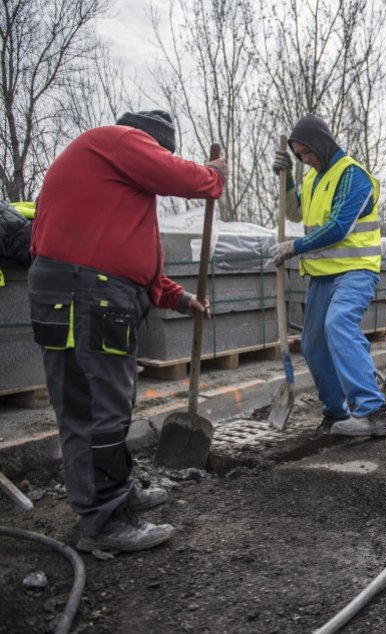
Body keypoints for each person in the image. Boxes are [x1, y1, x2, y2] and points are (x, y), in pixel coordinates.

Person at [29, 110, 228, 553]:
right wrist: (212, 176)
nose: (160, 157)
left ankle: (113, 497)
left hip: (74, 289)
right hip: (90, 293)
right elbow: (183, 177)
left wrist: (179, 298)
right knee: (100, 406)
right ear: (151, 143)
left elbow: (133, 261)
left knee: (91, 404)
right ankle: (105, 520)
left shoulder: (109, 183)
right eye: (161, 151)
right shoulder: (120, 140)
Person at [270, 114, 386, 438]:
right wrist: (286, 180)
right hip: (323, 276)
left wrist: (294, 246)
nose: (305, 160)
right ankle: (335, 413)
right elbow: (294, 212)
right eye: (298, 156)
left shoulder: (353, 176)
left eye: (307, 153)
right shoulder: (312, 178)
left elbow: (339, 227)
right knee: (313, 345)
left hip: (355, 271)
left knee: (338, 324)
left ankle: (372, 412)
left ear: (321, 144)